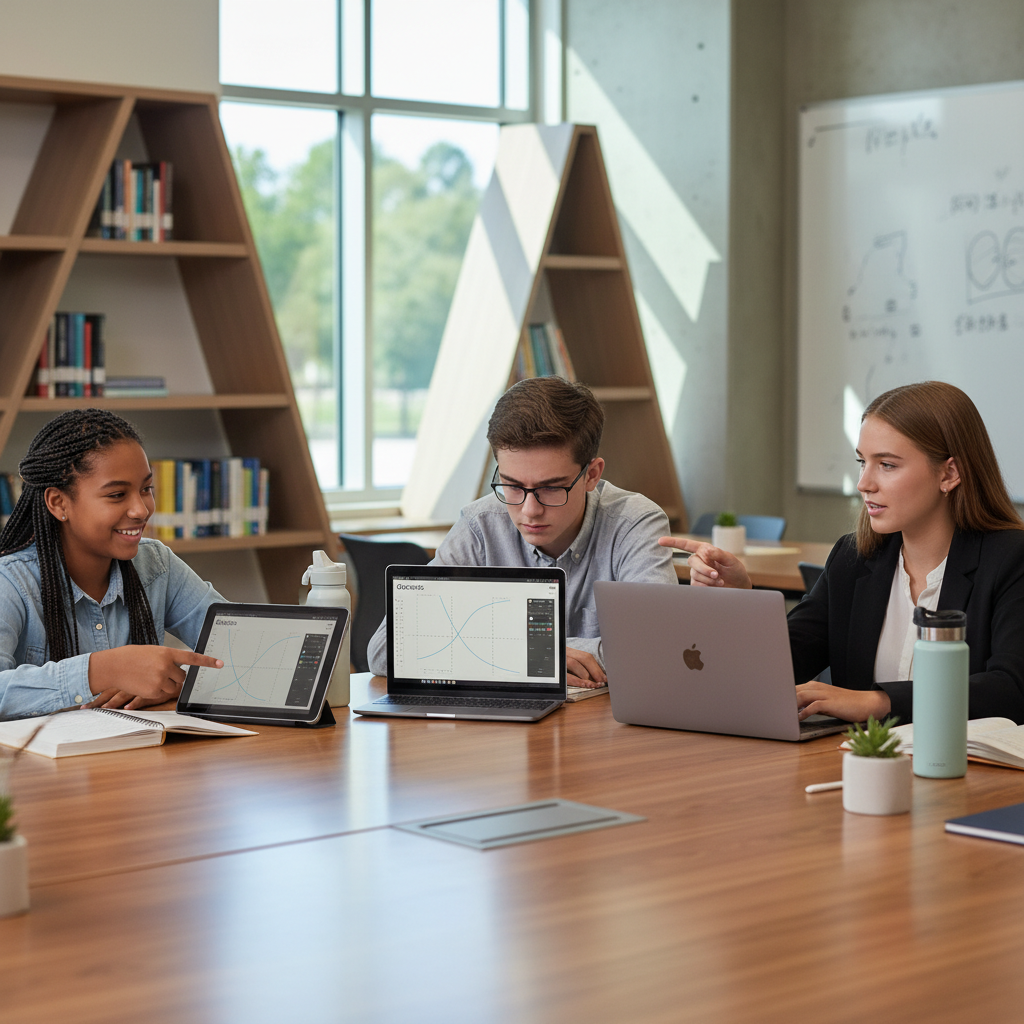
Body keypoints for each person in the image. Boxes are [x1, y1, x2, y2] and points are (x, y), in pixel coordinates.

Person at [660, 381, 1024, 724]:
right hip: (860, 766)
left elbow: (1011, 690)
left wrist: (876, 702)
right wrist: (739, 602)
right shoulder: (853, 558)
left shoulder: (1010, 558)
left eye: (887, 464)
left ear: (950, 473)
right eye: (861, 462)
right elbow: (786, 663)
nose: (864, 483)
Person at [367, 376, 677, 684]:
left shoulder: (635, 523)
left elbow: (659, 649)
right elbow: (383, 650)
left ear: (591, 475)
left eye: (552, 488)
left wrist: (482, 653)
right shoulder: (480, 526)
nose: (530, 510)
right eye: (512, 486)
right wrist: (537, 653)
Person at [0, 409, 225, 718]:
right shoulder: (10, 582)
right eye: (118, 494)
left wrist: (172, 682)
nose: (141, 510)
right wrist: (103, 670)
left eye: (146, 489)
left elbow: (240, 648)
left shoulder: (158, 565)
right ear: (58, 503)